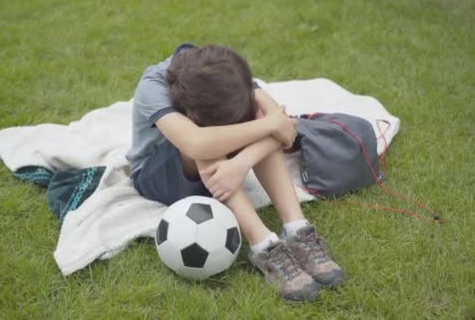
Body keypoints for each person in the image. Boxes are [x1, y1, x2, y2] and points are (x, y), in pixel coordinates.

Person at [127, 43, 344, 301]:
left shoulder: (222, 71)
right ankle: (263, 245)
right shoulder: (153, 85)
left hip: (218, 164)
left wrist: (240, 164)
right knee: (210, 143)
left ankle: (297, 229)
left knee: (257, 116)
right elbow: (196, 143)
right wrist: (269, 127)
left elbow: (284, 125)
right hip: (156, 176)